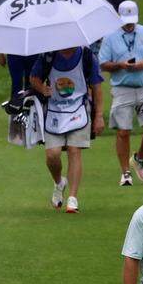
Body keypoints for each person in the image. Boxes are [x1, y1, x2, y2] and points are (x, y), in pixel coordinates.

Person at [29, 46, 105, 214]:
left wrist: (99, 116)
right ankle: (59, 182)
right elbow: (33, 78)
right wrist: (42, 89)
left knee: (74, 150)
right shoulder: (48, 55)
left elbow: (97, 87)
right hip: (54, 111)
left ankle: (72, 198)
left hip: (79, 109)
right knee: (52, 154)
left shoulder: (86, 55)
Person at [98, 0, 143, 187]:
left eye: (132, 20)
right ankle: (125, 173)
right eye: (126, 20)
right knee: (123, 132)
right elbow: (103, 63)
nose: (129, 23)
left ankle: (139, 158)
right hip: (122, 88)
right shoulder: (110, 37)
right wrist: (120, 65)